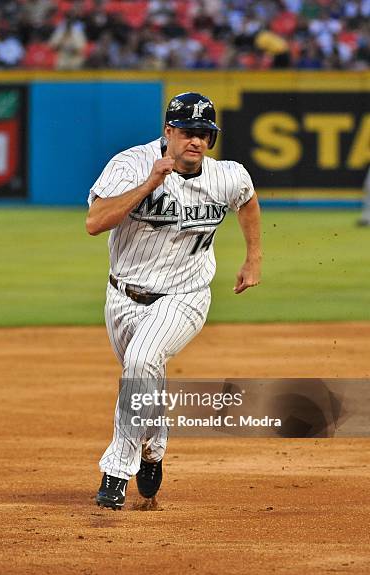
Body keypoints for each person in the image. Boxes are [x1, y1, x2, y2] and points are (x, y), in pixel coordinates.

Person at [86, 92, 262, 510]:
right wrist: (150, 182)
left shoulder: (227, 176)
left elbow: (248, 201)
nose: (196, 142)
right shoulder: (130, 164)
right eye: (187, 132)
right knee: (144, 375)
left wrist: (253, 257)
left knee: (143, 359)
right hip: (123, 297)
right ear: (168, 132)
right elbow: (95, 222)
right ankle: (154, 448)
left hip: (186, 296)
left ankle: (115, 471)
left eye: (204, 134)